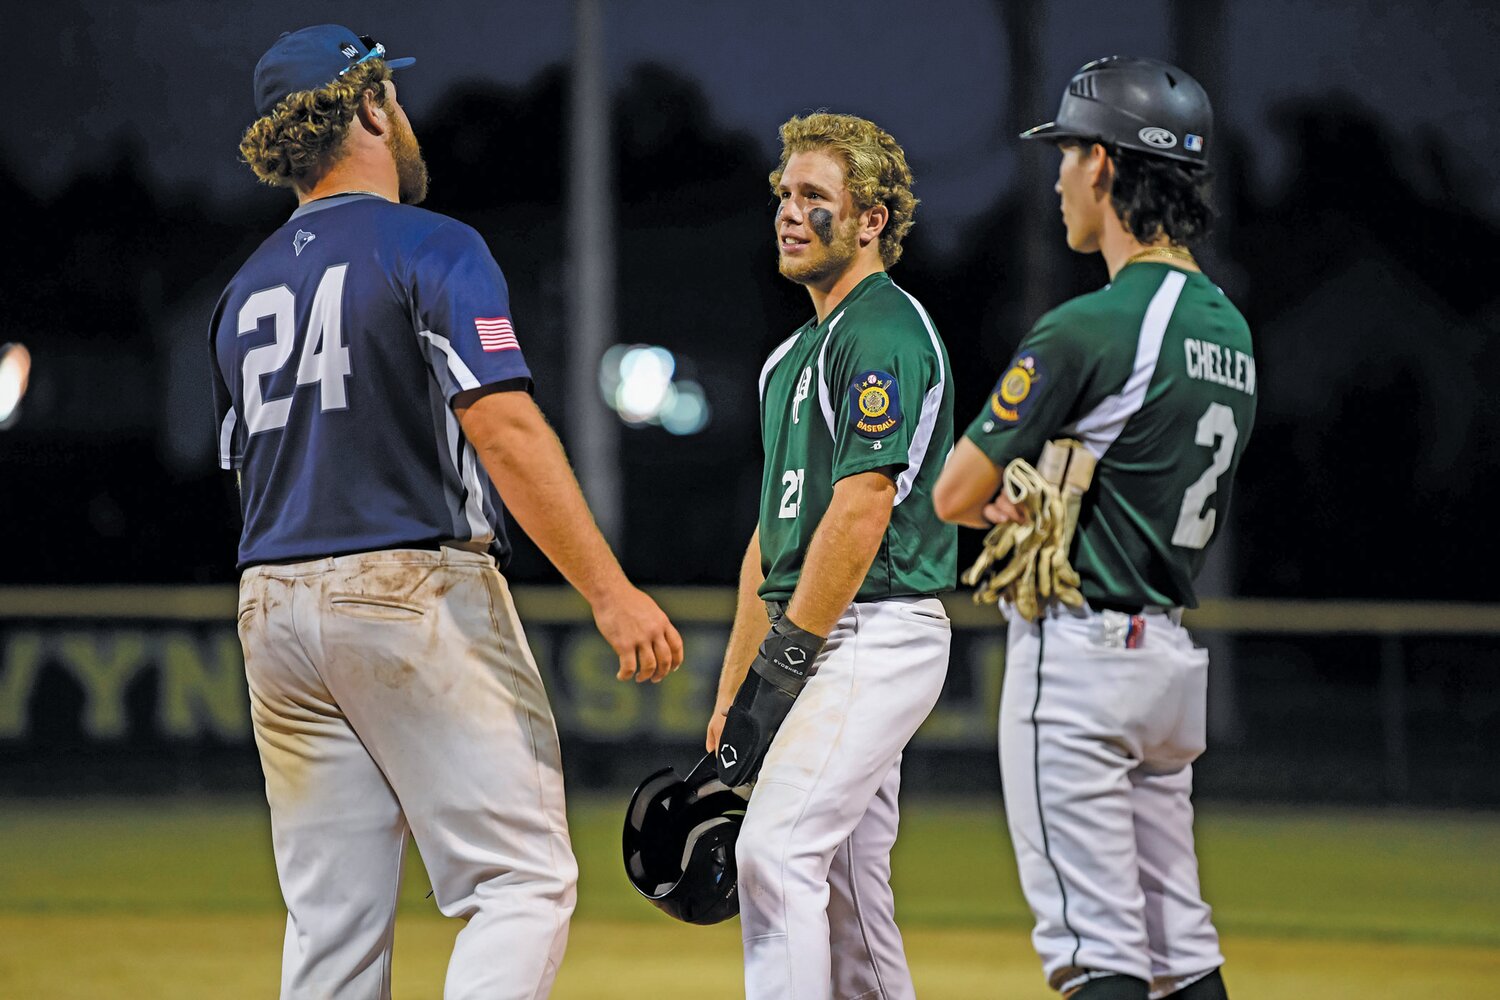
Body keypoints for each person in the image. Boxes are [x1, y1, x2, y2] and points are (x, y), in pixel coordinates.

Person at [210, 25, 683, 1000]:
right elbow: (504, 430)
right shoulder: (432, 244)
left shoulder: (242, 289)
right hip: (406, 585)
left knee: (332, 922)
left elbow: (247, 469)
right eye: (396, 96)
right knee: (520, 880)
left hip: (271, 599)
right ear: (371, 107)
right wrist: (610, 589)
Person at [934, 56, 1252, 1000]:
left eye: (1068, 152)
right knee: (1178, 948)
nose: (1059, 175)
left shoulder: (1092, 326)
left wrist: (1011, 493)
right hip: (1167, 661)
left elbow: (956, 491)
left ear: (1107, 166)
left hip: (1082, 662)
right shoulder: (1227, 327)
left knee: (1095, 951)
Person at [705, 112, 956, 1000]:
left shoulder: (881, 328)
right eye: (785, 193)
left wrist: (784, 662)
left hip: (873, 628)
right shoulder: (791, 359)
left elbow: (862, 507)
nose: (788, 211)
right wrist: (739, 681)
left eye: (815, 196)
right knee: (846, 895)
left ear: (873, 219)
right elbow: (769, 541)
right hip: (817, 629)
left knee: (775, 855)